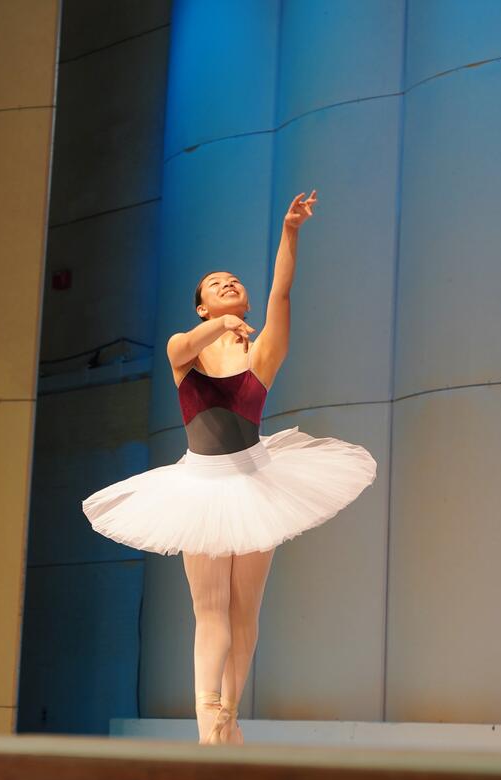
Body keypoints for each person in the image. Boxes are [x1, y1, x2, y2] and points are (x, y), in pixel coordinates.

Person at [81, 189, 377, 745]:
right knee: (210, 608)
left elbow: (283, 293)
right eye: (216, 285)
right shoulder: (185, 345)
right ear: (202, 306)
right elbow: (184, 347)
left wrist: (290, 232)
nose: (229, 285)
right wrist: (223, 326)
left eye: (234, 281)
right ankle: (205, 722)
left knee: (246, 609)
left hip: (256, 479)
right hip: (201, 484)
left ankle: (229, 717)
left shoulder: (262, 353)